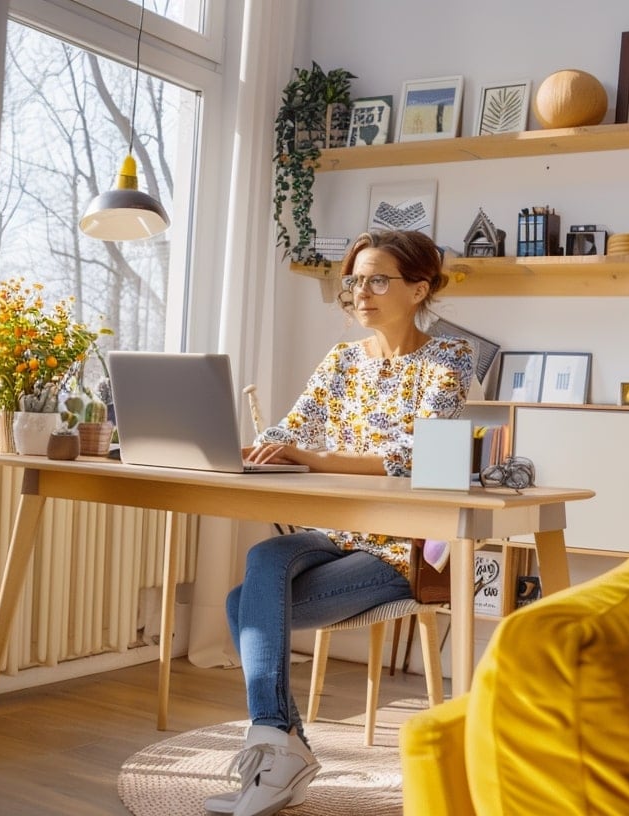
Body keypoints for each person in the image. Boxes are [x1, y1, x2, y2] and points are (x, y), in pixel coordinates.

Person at [204, 230, 473, 816]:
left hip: (403, 551)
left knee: (240, 606)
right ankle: (281, 742)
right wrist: (250, 450)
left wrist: (315, 458)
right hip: (336, 532)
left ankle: (282, 753)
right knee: (262, 562)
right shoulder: (342, 360)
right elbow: (291, 428)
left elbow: (415, 456)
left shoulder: (449, 359)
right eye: (354, 280)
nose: (361, 292)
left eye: (377, 279)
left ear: (418, 287)